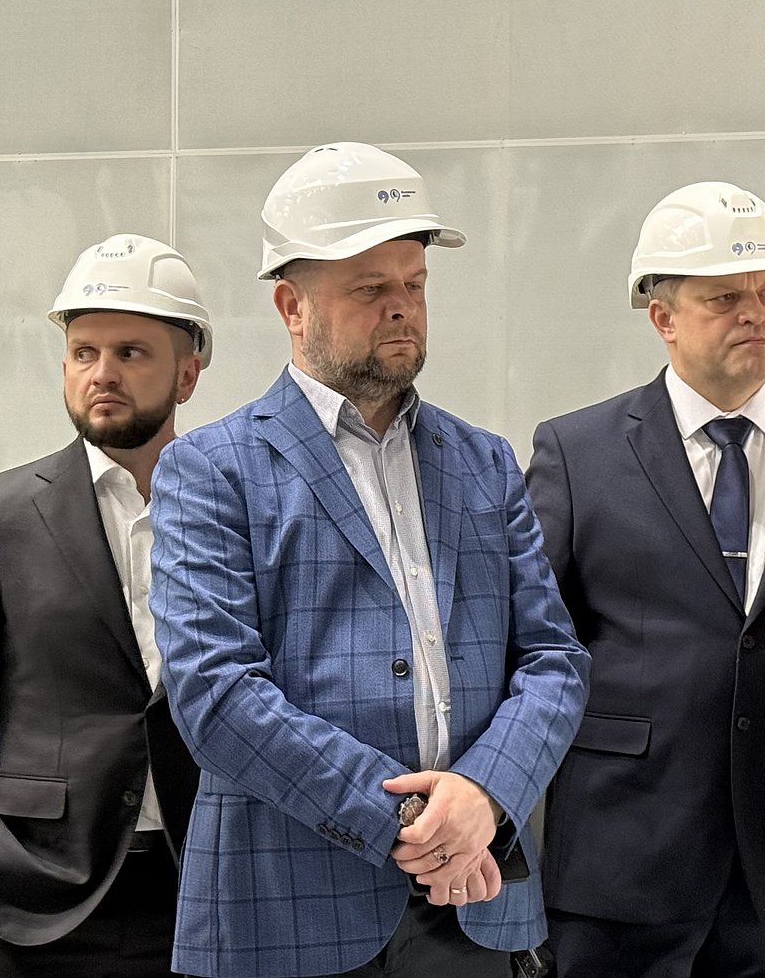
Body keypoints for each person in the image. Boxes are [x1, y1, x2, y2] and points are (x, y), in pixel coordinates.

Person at [147, 142, 589, 978]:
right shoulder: (210, 469)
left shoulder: (485, 462)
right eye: (369, 288)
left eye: (414, 285)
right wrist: (414, 823)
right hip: (287, 913)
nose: (401, 308)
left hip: (475, 905)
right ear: (292, 305)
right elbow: (216, 693)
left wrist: (484, 794)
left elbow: (554, 660)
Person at [527, 181, 765, 978]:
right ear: (662, 318)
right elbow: (534, 652)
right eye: (725, 297)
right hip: (622, 866)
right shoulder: (578, 453)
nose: (756, 314)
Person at [0, 234, 211, 978]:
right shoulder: (0, 510)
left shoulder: (240, 509)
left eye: (131, 353)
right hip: (29, 894)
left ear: (187, 374)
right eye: (83, 353)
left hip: (199, 885)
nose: (102, 373)